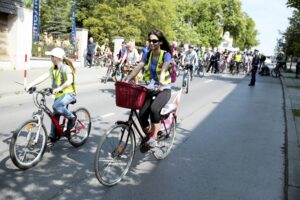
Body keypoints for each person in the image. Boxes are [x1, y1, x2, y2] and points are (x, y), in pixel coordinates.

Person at [125, 29, 172, 147]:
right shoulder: (148, 54)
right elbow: (139, 67)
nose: (151, 43)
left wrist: (161, 81)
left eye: (154, 41)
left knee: (154, 109)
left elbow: (164, 68)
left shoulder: (165, 54)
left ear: (160, 42)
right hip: (150, 88)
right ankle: (150, 134)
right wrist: (127, 79)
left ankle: (154, 139)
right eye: (149, 40)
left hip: (164, 89)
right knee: (141, 115)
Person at [25, 47, 77, 143]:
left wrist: (59, 88)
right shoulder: (53, 69)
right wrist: (31, 85)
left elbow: (70, 80)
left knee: (56, 106)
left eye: (52, 56)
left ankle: (72, 117)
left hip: (69, 93)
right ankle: (53, 136)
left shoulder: (66, 68)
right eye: (51, 56)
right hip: (59, 95)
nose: (51, 58)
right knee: (54, 114)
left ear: (58, 58)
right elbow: (44, 76)